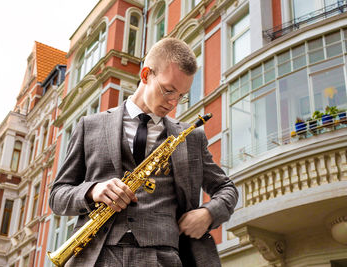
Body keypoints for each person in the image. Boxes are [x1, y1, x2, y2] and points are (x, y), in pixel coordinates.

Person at [49, 37, 238, 267]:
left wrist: (209, 213)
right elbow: (57, 195)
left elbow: (226, 189)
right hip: (98, 257)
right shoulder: (90, 126)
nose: (173, 103)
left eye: (181, 95)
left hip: (162, 258)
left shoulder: (190, 138)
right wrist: (93, 190)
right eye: (168, 90)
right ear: (146, 74)